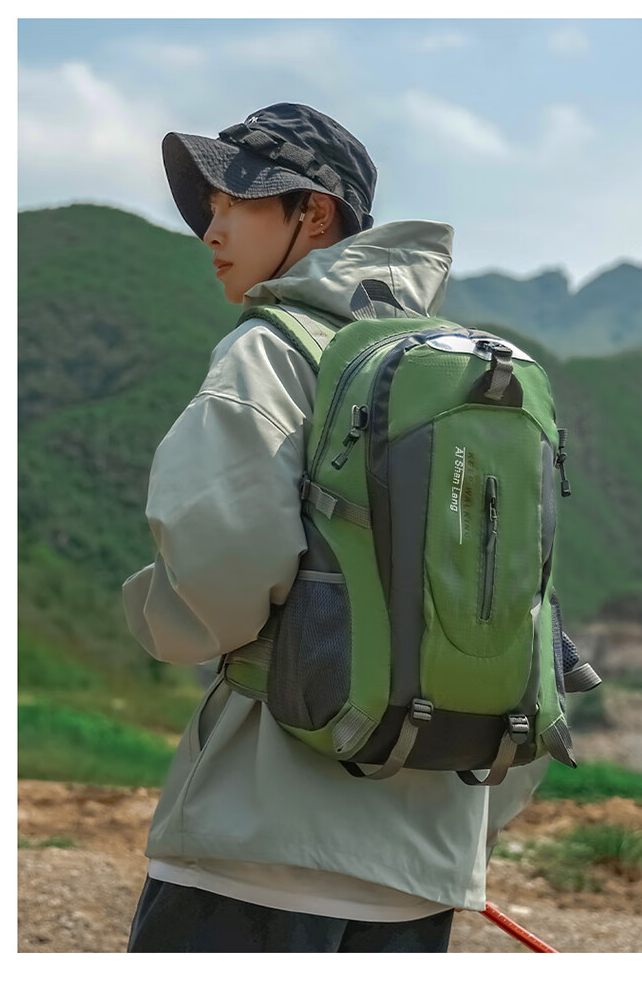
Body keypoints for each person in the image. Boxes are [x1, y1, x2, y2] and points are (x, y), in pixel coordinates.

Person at [122, 102, 547, 954]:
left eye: (236, 202)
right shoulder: (465, 369)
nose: (212, 230)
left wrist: (150, 615)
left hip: (260, 840)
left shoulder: (274, 348)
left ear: (313, 214)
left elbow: (220, 567)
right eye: (209, 208)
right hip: (422, 857)